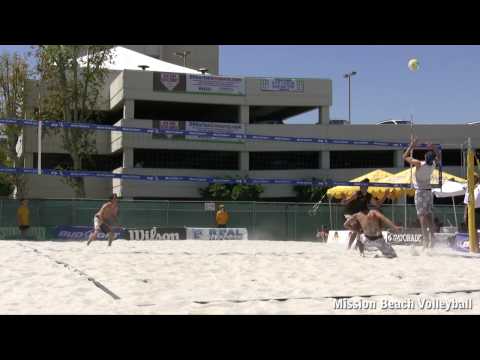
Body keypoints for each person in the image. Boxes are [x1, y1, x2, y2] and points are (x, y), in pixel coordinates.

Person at [403, 138, 441, 248]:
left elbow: (404, 157)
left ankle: (425, 240)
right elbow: (439, 157)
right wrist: (434, 147)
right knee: (428, 215)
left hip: (420, 192)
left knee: (422, 216)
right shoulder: (433, 165)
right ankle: (432, 237)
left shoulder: (419, 164)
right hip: (429, 192)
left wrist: (411, 146)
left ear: (425, 157)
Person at [342, 178, 390, 250]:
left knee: (360, 230)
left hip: (361, 215)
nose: (361, 187)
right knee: (355, 229)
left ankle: (356, 246)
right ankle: (350, 247)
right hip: (351, 213)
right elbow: (347, 201)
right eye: (361, 185)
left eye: (363, 185)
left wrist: (385, 195)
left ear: (367, 187)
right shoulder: (357, 193)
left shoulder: (369, 196)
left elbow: (378, 204)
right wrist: (344, 200)